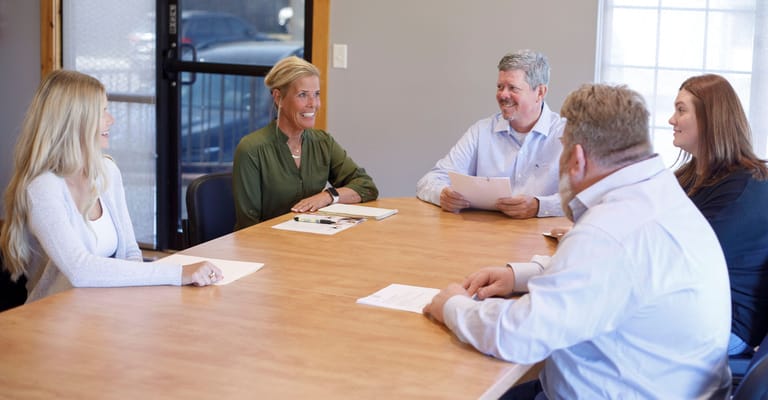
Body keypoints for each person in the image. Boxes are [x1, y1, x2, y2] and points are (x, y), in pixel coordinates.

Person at [423, 84, 732, 399]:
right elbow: (608, 274)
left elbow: (518, 336)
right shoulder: (657, 192)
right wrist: (519, 276)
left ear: (577, 157)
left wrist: (452, 305)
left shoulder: (609, 229)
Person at [0, 70, 222, 303]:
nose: (111, 120)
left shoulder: (107, 171)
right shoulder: (42, 188)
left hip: (105, 305)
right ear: (74, 122)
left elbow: (131, 253)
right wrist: (178, 273)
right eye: (102, 111)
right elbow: (79, 270)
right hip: (54, 313)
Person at [669, 73, 768, 356]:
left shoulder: (745, 186)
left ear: (709, 119)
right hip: (694, 306)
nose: (672, 120)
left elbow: (684, 261)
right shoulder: (689, 175)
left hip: (727, 324)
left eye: (681, 110)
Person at [416, 49, 566, 218]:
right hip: (484, 232)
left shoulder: (567, 135)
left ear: (540, 92)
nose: (503, 95)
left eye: (513, 88)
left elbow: (584, 199)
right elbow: (429, 180)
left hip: (542, 234)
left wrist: (539, 206)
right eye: (500, 87)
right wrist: (442, 194)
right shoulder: (481, 131)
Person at [233, 56, 378, 229]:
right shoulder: (252, 149)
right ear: (278, 98)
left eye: (316, 94)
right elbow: (248, 226)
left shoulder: (323, 142)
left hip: (313, 238)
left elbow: (366, 187)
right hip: (268, 243)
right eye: (302, 95)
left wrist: (327, 196)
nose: (313, 104)